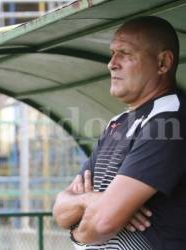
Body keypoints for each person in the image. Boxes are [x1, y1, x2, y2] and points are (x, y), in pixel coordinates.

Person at [53, 16, 186, 250]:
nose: (112, 64)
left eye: (125, 53)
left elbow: (104, 222)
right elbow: (60, 212)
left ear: (163, 63)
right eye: (112, 53)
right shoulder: (118, 123)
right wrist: (92, 200)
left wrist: (78, 234)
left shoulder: (169, 121)